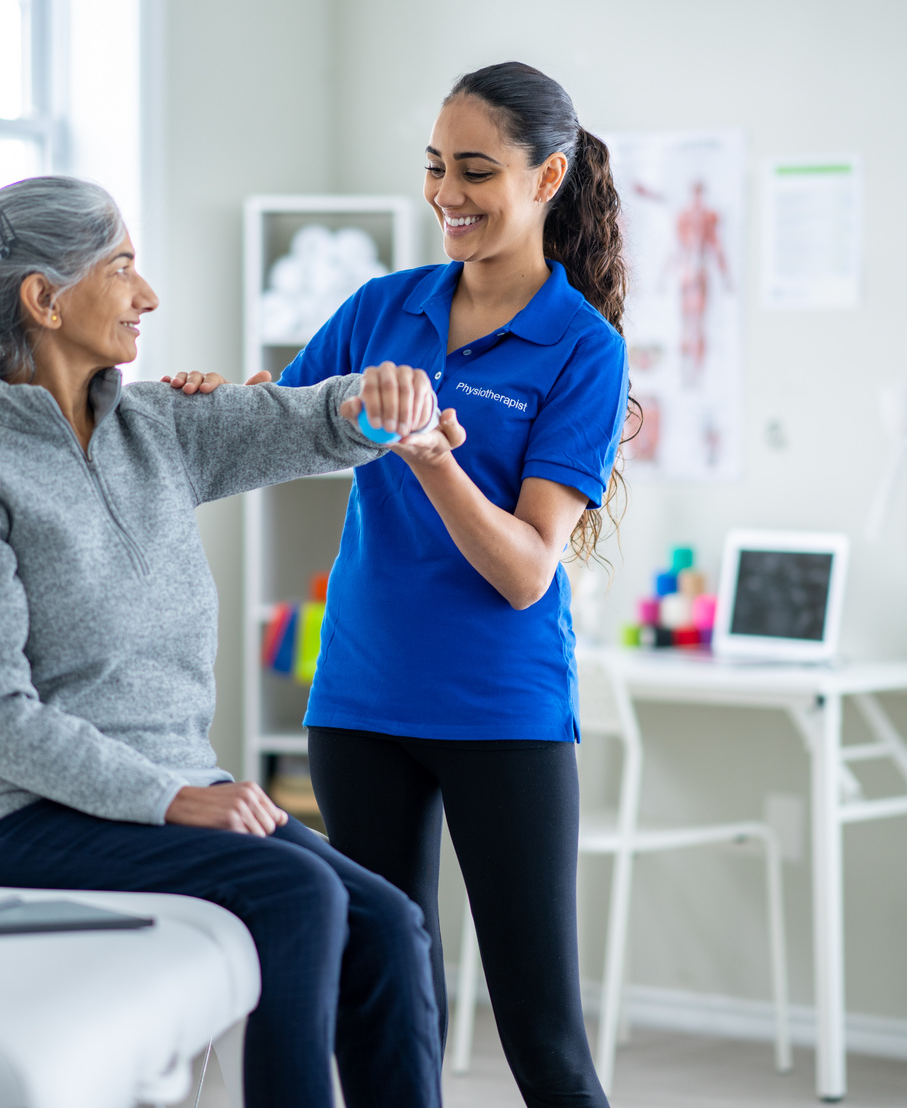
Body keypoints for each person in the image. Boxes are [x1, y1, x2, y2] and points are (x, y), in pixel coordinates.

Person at [0, 175, 452, 1108]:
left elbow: (304, 419)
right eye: (122, 266)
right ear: (45, 298)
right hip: (13, 816)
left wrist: (380, 404)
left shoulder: (157, 428)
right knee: (298, 896)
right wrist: (174, 799)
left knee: (390, 924)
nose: (147, 295)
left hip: (165, 786)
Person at [277, 62, 634, 1108]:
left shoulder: (581, 347)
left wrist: (434, 455)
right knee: (385, 1001)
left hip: (501, 711)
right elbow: (282, 434)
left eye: (476, 170)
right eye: (436, 167)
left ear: (548, 176)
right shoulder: (382, 308)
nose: (448, 195)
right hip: (361, 698)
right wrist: (219, 401)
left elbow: (528, 571)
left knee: (543, 1035)